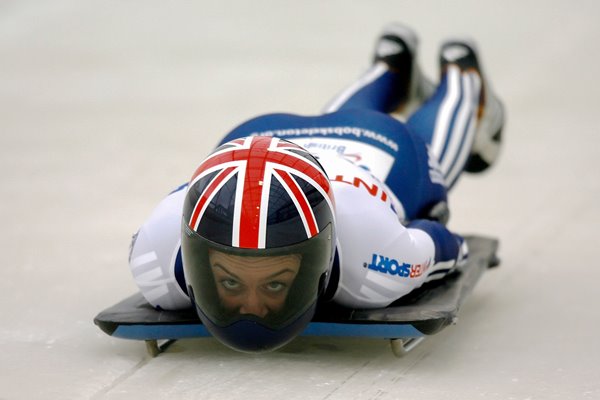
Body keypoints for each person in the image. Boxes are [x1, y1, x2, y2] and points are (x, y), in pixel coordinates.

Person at [127, 23, 505, 352]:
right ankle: (391, 65)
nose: (252, 310)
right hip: (292, 140)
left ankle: (461, 76)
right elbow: (445, 245)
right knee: (340, 122)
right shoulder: (153, 255)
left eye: (275, 285)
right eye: (229, 281)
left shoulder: (377, 261)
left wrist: (452, 242)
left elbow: (441, 242)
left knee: (430, 169)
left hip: (378, 147)